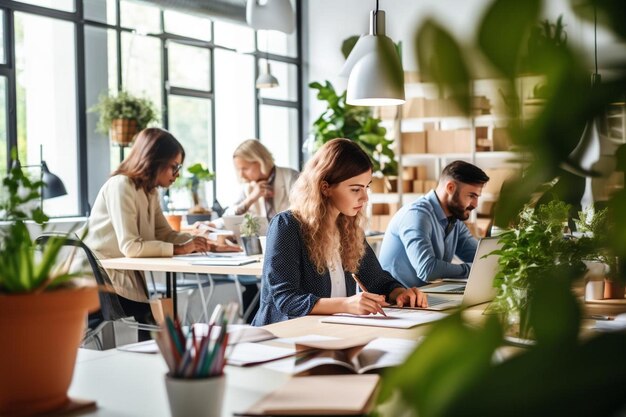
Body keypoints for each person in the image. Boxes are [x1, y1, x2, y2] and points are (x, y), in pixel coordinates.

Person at [252, 138, 428, 326]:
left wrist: (401, 293)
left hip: (331, 331)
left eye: (366, 187)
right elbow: (286, 299)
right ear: (325, 187)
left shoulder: (348, 227)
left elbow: (376, 279)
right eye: (355, 189)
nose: (365, 197)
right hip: (284, 335)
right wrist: (345, 304)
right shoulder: (287, 225)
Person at [77, 128, 210, 335]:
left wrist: (204, 242)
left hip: (123, 278)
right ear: (155, 161)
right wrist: (182, 249)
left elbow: (165, 234)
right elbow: (131, 247)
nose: (177, 174)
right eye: (174, 167)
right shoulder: (121, 185)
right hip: (101, 281)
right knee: (154, 320)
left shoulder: (150, 191)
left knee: (155, 317)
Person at [378, 160, 490, 288]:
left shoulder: (454, 220)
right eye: (471, 196)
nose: (475, 204)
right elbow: (427, 269)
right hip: (392, 302)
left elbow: (481, 256)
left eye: (477, 197)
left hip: (423, 296)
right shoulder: (417, 215)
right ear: (450, 188)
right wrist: (471, 269)